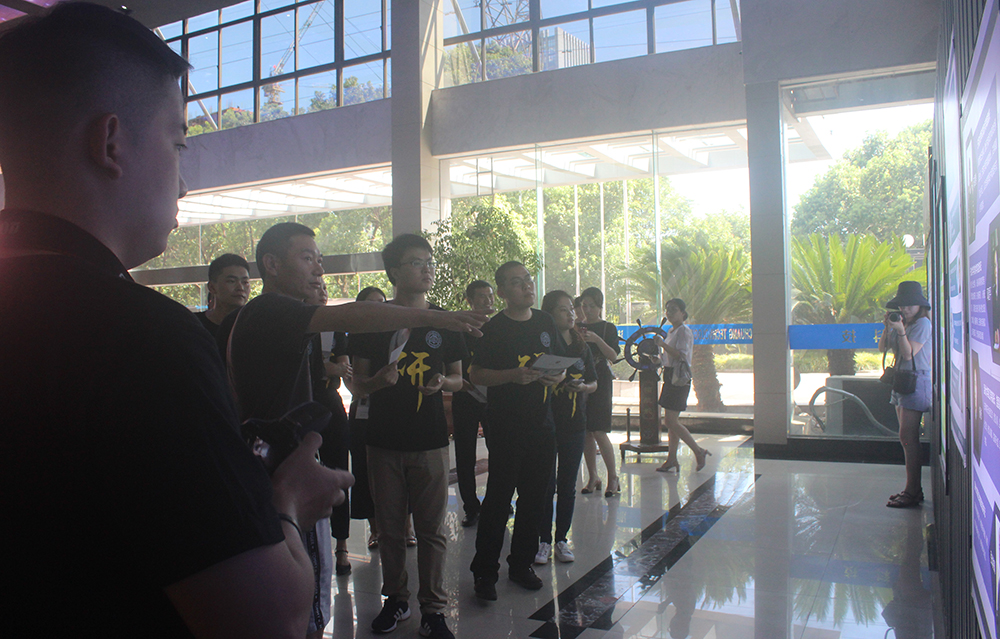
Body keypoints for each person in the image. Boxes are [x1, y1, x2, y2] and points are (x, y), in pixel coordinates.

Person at [0, 4, 352, 637]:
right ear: (110, 143)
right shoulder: (140, 338)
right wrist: (288, 501)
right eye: (178, 143)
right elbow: (267, 618)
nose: (184, 184)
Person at [223, 223, 485, 637]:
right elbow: (355, 321)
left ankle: (430, 609)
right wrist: (438, 317)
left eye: (320, 260)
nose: (319, 270)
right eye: (307, 259)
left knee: (309, 587)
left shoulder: (282, 320)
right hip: (282, 473)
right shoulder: (270, 310)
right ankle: (394, 599)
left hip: (296, 468)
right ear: (271, 264)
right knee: (303, 593)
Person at [350, 234, 466, 639]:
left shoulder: (444, 321)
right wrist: (377, 382)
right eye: (417, 262)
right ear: (395, 271)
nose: (427, 269)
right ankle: (395, 599)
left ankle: (433, 610)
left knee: (432, 530)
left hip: (431, 440)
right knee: (390, 529)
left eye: (429, 261)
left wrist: (444, 383)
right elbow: (357, 385)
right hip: (382, 440)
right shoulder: (372, 320)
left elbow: (459, 377)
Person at [469, 261, 566, 600]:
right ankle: (485, 572)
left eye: (527, 280)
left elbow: (559, 363)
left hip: (543, 424)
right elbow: (476, 374)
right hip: (506, 425)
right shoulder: (494, 328)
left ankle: (521, 564)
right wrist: (512, 375)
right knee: (498, 499)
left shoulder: (544, 322)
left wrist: (557, 377)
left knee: (535, 498)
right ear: (502, 292)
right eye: (516, 282)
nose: (526, 286)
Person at [535, 291, 597, 565]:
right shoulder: (544, 345)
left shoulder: (582, 347)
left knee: (568, 484)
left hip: (575, 424)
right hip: (547, 423)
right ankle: (543, 540)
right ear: (549, 314)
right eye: (563, 310)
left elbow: (594, 382)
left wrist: (582, 387)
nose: (571, 314)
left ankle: (561, 539)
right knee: (545, 484)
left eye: (572, 308)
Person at [307, 285, 353, 577]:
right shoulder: (295, 324)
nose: (322, 292)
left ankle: (342, 546)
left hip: (330, 404)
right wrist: (327, 367)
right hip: (302, 403)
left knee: (338, 472)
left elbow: (343, 367)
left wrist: (328, 368)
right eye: (316, 287)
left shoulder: (334, 327)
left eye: (324, 287)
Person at [879, 281, 932, 508]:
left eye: (910, 304)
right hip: (901, 380)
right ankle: (911, 489)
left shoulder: (922, 324)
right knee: (905, 438)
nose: (905, 309)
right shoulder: (903, 322)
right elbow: (882, 348)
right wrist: (889, 327)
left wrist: (901, 331)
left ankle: (913, 491)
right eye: (902, 305)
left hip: (916, 381)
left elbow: (910, 354)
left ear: (920, 305)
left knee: (909, 438)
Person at [452, 279, 496, 527]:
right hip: (465, 396)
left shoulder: (499, 328)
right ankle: (471, 507)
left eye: (490, 296)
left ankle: (496, 502)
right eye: (481, 296)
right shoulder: (459, 328)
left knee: (498, 451)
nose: (487, 300)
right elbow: (449, 362)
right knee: (465, 454)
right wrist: (461, 383)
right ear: (469, 300)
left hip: (493, 399)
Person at [347, 286, 386, 549]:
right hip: (362, 410)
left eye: (382, 303)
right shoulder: (354, 338)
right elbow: (351, 381)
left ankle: (406, 527)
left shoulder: (397, 333)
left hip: (391, 410)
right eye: (371, 303)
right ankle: (375, 530)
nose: (378, 308)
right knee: (364, 468)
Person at [653, 298, 711, 473]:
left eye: (674, 309)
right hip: (670, 375)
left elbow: (681, 355)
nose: (669, 313)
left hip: (679, 378)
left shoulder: (684, 331)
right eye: (667, 309)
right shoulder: (671, 331)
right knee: (671, 422)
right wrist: (658, 359)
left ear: (683, 313)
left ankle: (698, 451)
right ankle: (672, 459)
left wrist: (662, 344)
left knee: (670, 421)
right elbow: (669, 357)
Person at [577, 287, 623, 497]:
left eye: (592, 306)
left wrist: (596, 339)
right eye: (584, 306)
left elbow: (613, 356)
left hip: (601, 379)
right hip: (582, 377)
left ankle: (613, 476)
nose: (587, 310)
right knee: (586, 430)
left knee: (599, 430)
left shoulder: (607, 328)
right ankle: (593, 476)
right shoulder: (577, 327)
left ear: (600, 306)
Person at [195, 253, 250, 338]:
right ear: (212, 287)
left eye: (245, 282)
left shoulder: (253, 326)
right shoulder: (195, 325)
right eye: (231, 281)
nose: (240, 288)